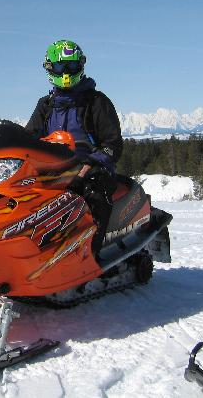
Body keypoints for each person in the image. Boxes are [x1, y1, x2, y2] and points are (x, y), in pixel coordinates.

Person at [25, 39, 123, 253]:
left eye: (71, 65)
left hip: (91, 170)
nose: (66, 72)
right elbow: (27, 139)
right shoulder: (46, 105)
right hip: (53, 172)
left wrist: (91, 163)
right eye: (61, 66)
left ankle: (92, 255)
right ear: (50, 68)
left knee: (94, 195)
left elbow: (113, 144)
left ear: (81, 65)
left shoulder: (96, 102)